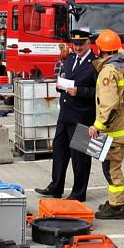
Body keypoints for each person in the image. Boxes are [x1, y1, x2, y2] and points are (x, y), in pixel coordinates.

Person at [35, 30, 98, 201]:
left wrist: (80, 91)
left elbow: (99, 92)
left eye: (81, 44)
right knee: (59, 152)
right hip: (65, 114)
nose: (77, 47)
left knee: (80, 157)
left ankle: (79, 193)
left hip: (82, 116)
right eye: (75, 44)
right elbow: (65, 77)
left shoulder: (95, 64)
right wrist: (60, 85)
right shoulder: (70, 59)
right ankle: (56, 187)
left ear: (88, 44)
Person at [89, 29, 124, 220]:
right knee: (112, 166)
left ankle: (117, 207)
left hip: (115, 130)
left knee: (111, 168)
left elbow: (108, 104)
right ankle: (113, 201)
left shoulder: (108, 72)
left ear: (100, 48)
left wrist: (98, 126)